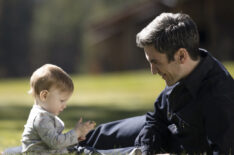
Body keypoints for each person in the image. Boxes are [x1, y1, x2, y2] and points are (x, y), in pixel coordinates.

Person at [80, 12, 234, 154]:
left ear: (181, 56)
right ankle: (68, 144)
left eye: (156, 62)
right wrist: (148, 150)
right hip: (163, 133)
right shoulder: (182, 71)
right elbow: (156, 118)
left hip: (178, 145)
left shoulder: (219, 98)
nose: (153, 71)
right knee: (103, 134)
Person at [21, 64, 96, 154]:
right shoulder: (41, 118)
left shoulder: (43, 114)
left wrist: (75, 138)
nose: (65, 105)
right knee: (87, 151)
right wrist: (76, 132)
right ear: (44, 96)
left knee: (81, 149)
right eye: (62, 100)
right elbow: (55, 143)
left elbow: (53, 142)